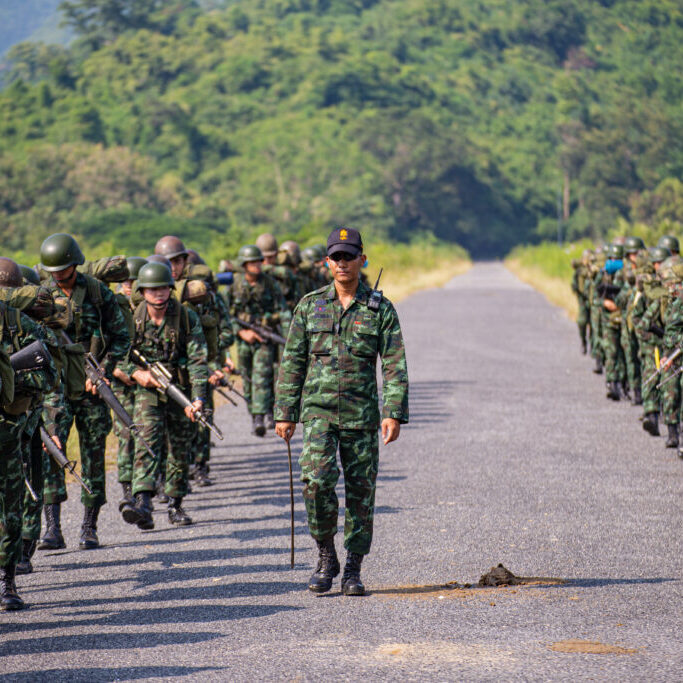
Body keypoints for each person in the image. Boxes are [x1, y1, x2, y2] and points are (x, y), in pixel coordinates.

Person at [274, 227, 409, 596]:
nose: (343, 263)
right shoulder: (309, 306)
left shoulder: (380, 309)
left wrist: (392, 411)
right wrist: (284, 411)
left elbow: (394, 364)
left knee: (361, 492)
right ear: (327, 262)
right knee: (316, 482)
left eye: (350, 256)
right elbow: (292, 362)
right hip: (317, 412)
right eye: (337, 257)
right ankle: (325, 555)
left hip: (361, 415)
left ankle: (353, 567)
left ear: (362, 260)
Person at [38, 234, 130, 551]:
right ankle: (52, 527)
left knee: (93, 454)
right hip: (55, 386)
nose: (59, 275)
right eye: (55, 271)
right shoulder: (42, 295)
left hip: (91, 385)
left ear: (75, 263)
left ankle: (89, 526)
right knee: (53, 450)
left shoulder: (96, 291)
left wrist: (104, 366)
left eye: (64, 269)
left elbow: (120, 336)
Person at [121, 261, 208, 529]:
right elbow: (115, 356)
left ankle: (175, 504)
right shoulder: (132, 320)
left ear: (170, 289)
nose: (158, 294)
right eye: (152, 289)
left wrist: (198, 399)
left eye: (163, 288)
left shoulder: (185, 317)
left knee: (179, 448)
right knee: (146, 442)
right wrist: (137, 374)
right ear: (143, 291)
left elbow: (198, 361)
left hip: (177, 389)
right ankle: (144, 502)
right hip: (148, 391)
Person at [0, 258, 58, 610]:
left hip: (8, 428)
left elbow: (47, 376)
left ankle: (7, 581)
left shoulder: (20, 325)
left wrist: (9, 381)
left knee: (9, 508)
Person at [230, 245, 290, 436]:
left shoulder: (270, 284)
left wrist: (289, 336)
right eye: (252, 262)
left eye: (258, 261)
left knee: (262, 376)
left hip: (265, 337)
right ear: (244, 264)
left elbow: (283, 310)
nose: (257, 265)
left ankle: (260, 416)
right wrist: (241, 332)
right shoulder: (234, 285)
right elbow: (224, 315)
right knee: (247, 378)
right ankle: (254, 412)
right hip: (243, 339)